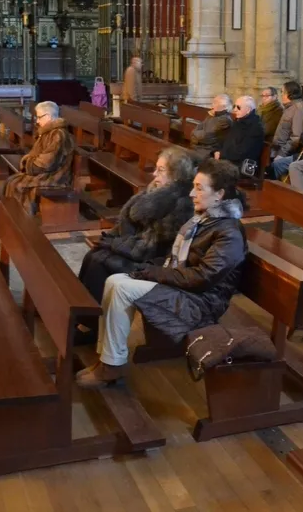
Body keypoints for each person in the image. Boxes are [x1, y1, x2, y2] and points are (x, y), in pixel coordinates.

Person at [75, 159, 248, 388]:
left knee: (122, 287)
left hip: (202, 302)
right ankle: (106, 360)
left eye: (199, 188)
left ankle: (112, 365)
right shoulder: (205, 219)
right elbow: (180, 264)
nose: (191, 193)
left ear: (219, 194)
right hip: (184, 287)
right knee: (114, 280)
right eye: (193, 186)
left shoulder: (229, 232)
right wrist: (150, 270)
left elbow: (203, 278)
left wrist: (152, 272)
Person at [75, 148, 197, 344]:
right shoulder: (155, 191)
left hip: (154, 261)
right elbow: (126, 224)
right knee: (93, 254)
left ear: (176, 175)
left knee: (99, 263)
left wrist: (115, 244)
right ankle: (81, 313)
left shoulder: (181, 203)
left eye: (160, 170)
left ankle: (91, 325)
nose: (154, 174)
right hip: (135, 249)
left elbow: (151, 244)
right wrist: (111, 239)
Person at [2, 101, 75, 215]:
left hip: (55, 176)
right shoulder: (48, 132)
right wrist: (29, 163)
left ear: (49, 116)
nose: (37, 121)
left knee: (18, 185)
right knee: (10, 181)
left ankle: (22, 220)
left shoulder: (58, 135)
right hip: (46, 172)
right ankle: (13, 218)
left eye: (39, 117)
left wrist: (28, 165)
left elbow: (48, 163)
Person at [213, 95, 265, 177]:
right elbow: (226, 141)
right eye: (234, 106)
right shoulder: (238, 122)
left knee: (210, 173)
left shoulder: (256, 128)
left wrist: (222, 154)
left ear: (248, 110)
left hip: (241, 166)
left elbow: (242, 152)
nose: (234, 110)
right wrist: (218, 151)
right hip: (228, 160)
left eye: (238, 107)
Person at [269, 80, 303, 161]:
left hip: (285, 153)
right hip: (277, 150)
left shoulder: (298, 109)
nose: (281, 95)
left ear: (290, 93)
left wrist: (282, 154)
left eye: (283, 92)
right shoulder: (290, 108)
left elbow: (296, 137)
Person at [190, 94, 234, 159]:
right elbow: (196, 129)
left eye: (215, 103)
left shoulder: (225, 120)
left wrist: (194, 135)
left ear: (224, 107)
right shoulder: (212, 115)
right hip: (199, 147)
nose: (212, 105)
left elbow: (205, 136)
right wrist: (194, 134)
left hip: (208, 151)